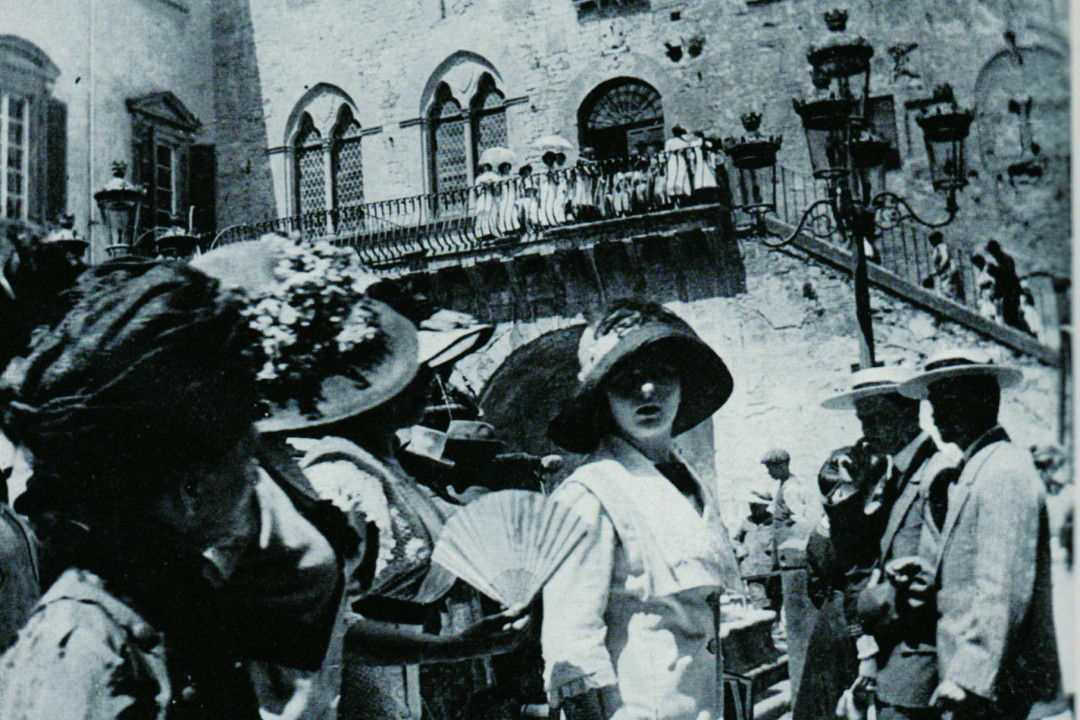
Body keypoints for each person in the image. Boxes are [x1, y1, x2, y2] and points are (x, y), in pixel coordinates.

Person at [194, 237, 529, 720]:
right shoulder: (332, 479)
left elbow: (332, 623)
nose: (426, 383)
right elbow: (307, 627)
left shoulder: (351, 469)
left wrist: (456, 646)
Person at [0, 260, 335, 717]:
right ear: (191, 489)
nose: (255, 476)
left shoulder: (174, 598)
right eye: (245, 456)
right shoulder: (85, 643)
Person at [542, 298, 743, 720]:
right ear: (603, 395)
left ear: (683, 383)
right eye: (626, 379)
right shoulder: (590, 494)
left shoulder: (688, 483)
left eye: (663, 373)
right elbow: (571, 644)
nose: (647, 390)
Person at [897, 350, 1061, 720]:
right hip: (978, 681)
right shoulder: (978, 466)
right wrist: (932, 576)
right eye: (933, 404)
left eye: (948, 402)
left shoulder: (1002, 470)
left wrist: (968, 679)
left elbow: (1003, 588)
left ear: (984, 401)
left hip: (993, 687)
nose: (935, 415)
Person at [810, 366, 944, 720]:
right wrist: (849, 493)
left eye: (878, 419)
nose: (867, 433)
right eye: (863, 421)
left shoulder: (935, 473)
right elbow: (849, 555)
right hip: (887, 654)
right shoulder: (890, 472)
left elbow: (934, 574)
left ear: (910, 413)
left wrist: (867, 613)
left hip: (916, 657)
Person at [761, 447, 821, 697]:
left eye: (771, 467)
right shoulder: (785, 486)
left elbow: (801, 520)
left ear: (782, 465)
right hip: (783, 557)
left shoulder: (791, 489)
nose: (768, 472)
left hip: (791, 559)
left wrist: (796, 545)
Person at [734, 484, 780, 610]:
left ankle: (775, 621)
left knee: (773, 601)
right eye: (751, 505)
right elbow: (735, 540)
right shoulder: (746, 522)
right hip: (751, 570)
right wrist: (740, 548)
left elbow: (782, 539)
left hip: (770, 570)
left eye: (756, 505)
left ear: (765, 506)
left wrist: (772, 547)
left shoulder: (774, 522)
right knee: (758, 600)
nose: (753, 508)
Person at [985, 241, 1027, 333]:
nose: (993, 256)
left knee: (1011, 317)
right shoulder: (1001, 261)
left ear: (996, 251)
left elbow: (1007, 277)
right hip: (1007, 293)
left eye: (993, 253)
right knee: (1008, 317)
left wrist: (994, 271)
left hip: (1012, 292)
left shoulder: (1006, 260)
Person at [925, 232, 964, 303]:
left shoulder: (941, 247)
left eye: (931, 241)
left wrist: (940, 268)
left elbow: (945, 258)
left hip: (946, 272)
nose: (931, 243)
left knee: (947, 290)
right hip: (943, 273)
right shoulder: (937, 248)